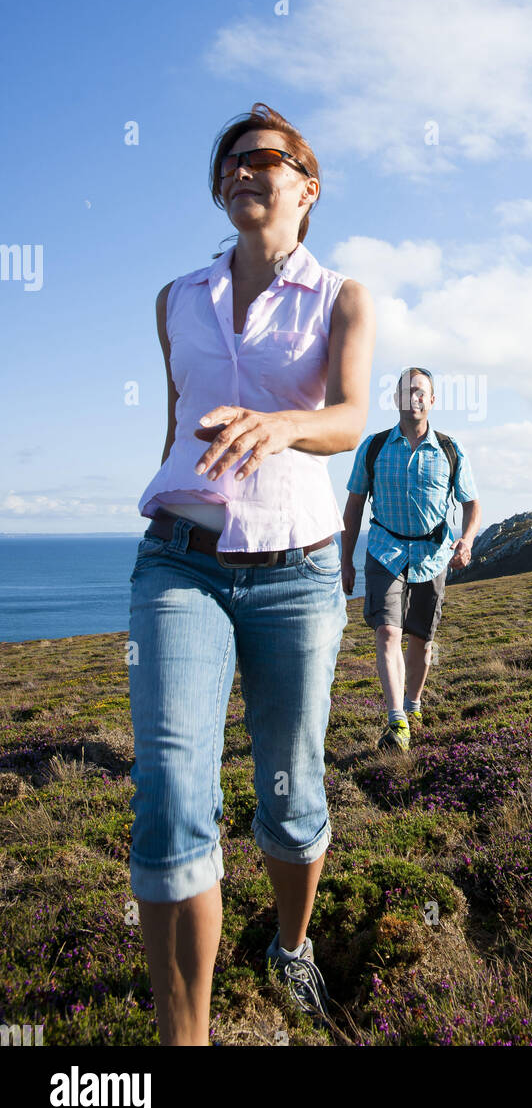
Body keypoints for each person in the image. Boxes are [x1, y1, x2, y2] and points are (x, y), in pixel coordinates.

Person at [127, 102, 375, 1045]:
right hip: (179, 563)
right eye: (229, 160)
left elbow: (351, 416)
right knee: (172, 792)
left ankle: (291, 943)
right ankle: (181, 1043)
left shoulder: (342, 297)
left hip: (297, 569)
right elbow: (176, 416)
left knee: (290, 786)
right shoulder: (174, 298)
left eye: (266, 158)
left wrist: (279, 427)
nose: (243, 169)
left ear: (306, 189)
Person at [341, 368, 482, 750]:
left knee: (421, 639)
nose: (413, 398)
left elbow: (472, 505)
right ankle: (397, 721)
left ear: (432, 400)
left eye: (420, 392)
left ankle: (413, 704)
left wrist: (466, 541)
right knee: (388, 632)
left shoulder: (451, 450)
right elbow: (353, 506)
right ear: (396, 400)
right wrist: (346, 561)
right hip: (384, 551)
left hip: (433, 555)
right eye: (406, 391)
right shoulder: (373, 447)